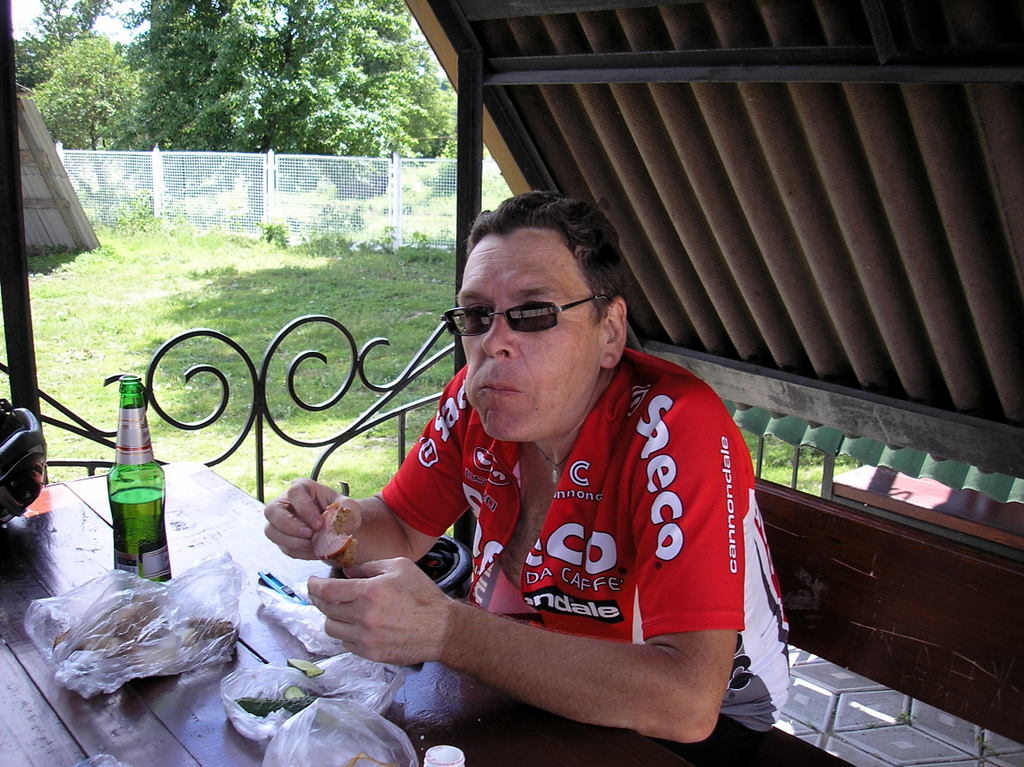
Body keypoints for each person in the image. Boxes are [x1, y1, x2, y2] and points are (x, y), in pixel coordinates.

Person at [264, 191, 790, 766]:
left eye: (534, 313)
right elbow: (399, 525)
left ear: (610, 332)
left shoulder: (674, 427)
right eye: (476, 316)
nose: (493, 342)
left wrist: (449, 632)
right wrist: (333, 523)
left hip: (682, 726)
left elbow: (686, 703)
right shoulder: (475, 402)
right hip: (524, 680)